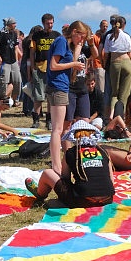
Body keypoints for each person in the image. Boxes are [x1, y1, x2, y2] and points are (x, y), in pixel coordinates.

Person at [25, 119, 115, 207]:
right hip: (108, 198)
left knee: (47, 173)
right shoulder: (104, 152)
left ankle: (40, 194)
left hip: (83, 200)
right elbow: (111, 180)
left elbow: (65, 179)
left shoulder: (71, 153)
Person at [45, 24, 86, 175]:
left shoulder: (65, 43)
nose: (82, 40)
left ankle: (61, 162)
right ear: (74, 32)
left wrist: (77, 52)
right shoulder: (61, 41)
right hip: (57, 87)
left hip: (60, 87)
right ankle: (56, 165)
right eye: (81, 36)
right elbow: (54, 65)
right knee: (57, 129)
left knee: (61, 128)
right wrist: (74, 63)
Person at [30, 13, 60, 130]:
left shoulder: (57, 35)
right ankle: (36, 119)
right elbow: (32, 52)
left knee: (50, 96)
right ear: (43, 23)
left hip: (52, 68)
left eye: (52, 23)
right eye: (48, 23)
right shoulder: (36, 36)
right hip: (39, 67)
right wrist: (32, 67)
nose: (50, 25)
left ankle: (49, 120)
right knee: (38, 96)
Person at [101, 15, 131, 119]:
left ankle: (111, 115)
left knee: (114, 93)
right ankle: (122, 116)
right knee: (125, 93)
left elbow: (104, 53)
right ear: (123, 25)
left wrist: (104, 63)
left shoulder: (108, 36)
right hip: (127, 62)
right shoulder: (127, 36)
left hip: (114, 63)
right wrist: (130, 62)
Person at [0, 18, 21, 106]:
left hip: (13, 61)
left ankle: (15, 99)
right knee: (3, 81)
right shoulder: (2, 34)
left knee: (17, 80)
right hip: (5, 61)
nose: (15, 25)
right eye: (14, 23)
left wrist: (17, 60)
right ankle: (1, 99)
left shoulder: (14, 34)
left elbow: (16, 48)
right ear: (9, 24)